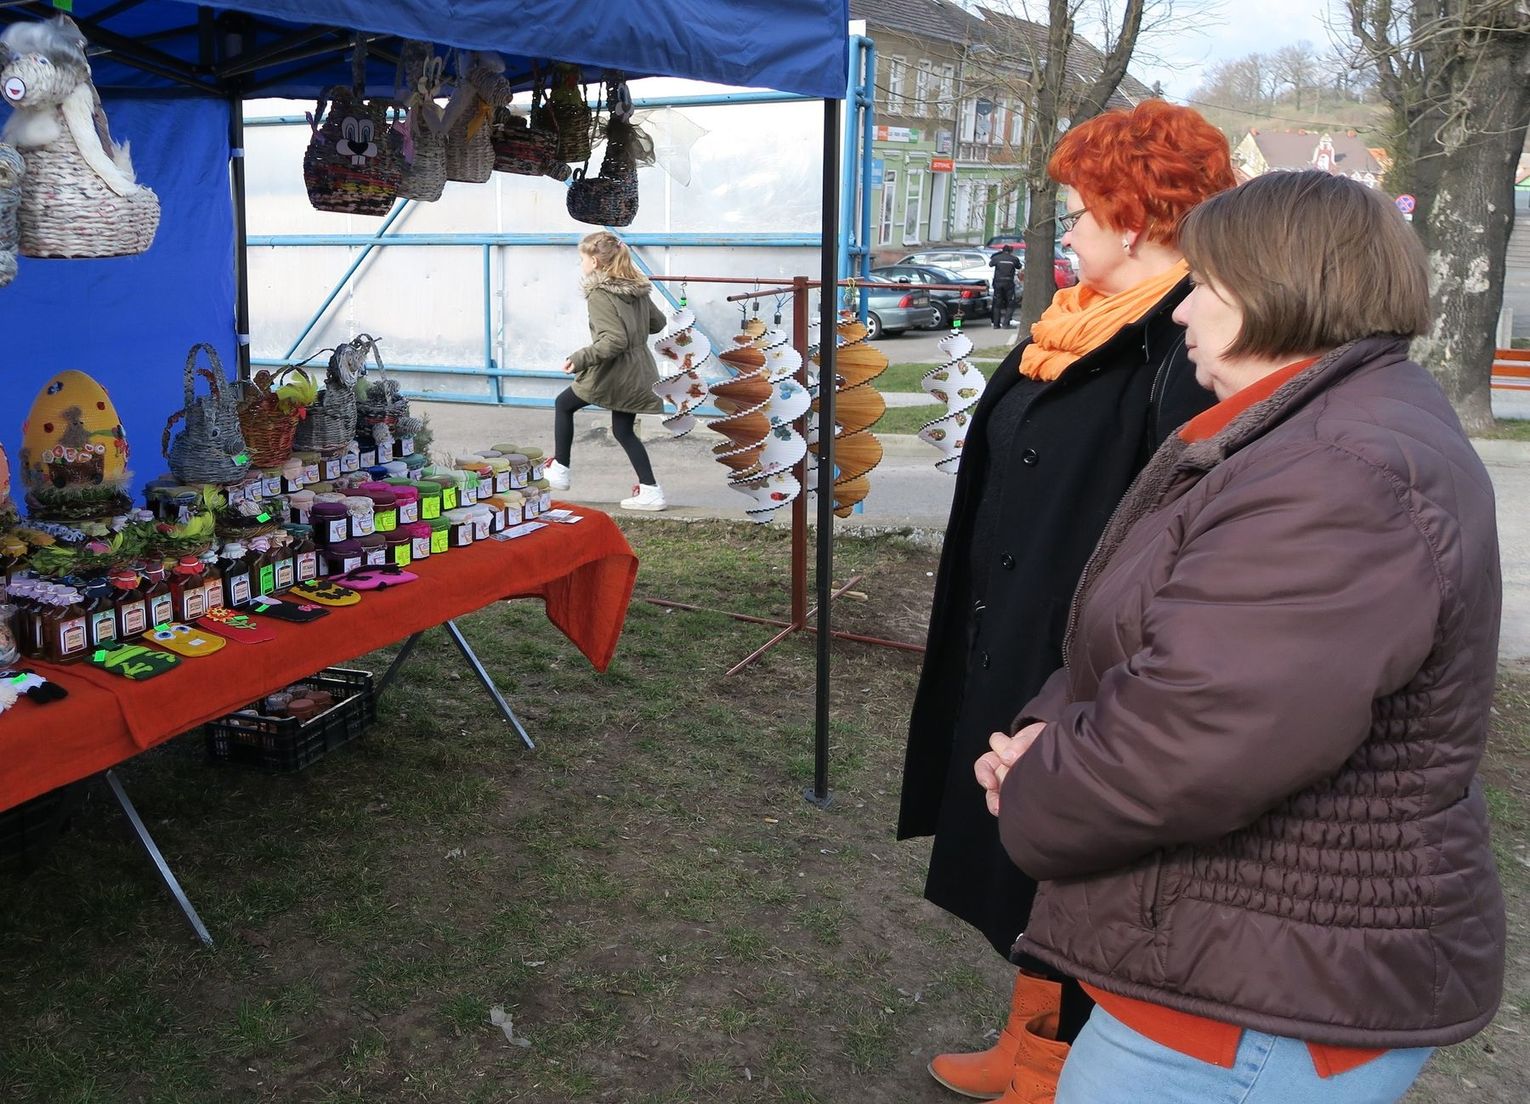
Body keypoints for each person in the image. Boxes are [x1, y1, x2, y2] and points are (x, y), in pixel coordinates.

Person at [977, 170, 1505, 1104]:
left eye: (1206, 285)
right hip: (1242, 973)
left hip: (1254, 1018)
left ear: (1278, 289)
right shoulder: (1313, 432)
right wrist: (1051, 726)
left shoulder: (1337, 473)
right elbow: (1154, 634)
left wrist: (1035, 788)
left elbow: (1199, 738)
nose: (1184, 311)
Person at [899, 99, 1237, 1104]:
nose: (1071, 228)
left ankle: (1057, 1067)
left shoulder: (1183, 346)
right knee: (1024, 857)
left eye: (1084, 210)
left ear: (1133, 221)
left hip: (1085, 657)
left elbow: (1177, 535)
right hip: (1010, 625)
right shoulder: (1078, 320)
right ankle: (1031, 1039)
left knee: (1078, 861)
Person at [546, 230, 668, 511]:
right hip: (639, 369)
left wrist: (580, 358)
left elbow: (614, 340)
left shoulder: (600, 293)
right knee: (623, 430)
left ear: (595, 262)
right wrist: (635, 323)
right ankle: (651, 490)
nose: (581, 264)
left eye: (582, 258)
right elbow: (658, 323)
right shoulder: (636, 288)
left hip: (615, 372)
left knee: (564, 404)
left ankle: (561, 469)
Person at [989, 244, 1021, 328]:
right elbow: (1019, 266)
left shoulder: (997, 258)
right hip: (1009, 283)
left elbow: (991, 264)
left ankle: (996, 324)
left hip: (998, 282)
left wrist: (997, 254)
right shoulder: (1014, 259)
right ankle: (1006, 323)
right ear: (1011, 251)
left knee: (997, 303)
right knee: (1010, 303)